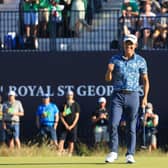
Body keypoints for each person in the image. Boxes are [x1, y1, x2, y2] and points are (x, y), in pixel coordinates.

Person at [105, 34, 150, 163]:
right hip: (118, 95)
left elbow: (146, 81)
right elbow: (107, 79)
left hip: (133, 95)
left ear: (135, 46)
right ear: (123, 45)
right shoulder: (114, 59)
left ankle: (130, 154)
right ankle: (113, 152)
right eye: (127, 44)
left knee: (131, 126)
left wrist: (145, 97)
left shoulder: (141, 60)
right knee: (113, 123)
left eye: (131, 45)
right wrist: (109, 71)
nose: (129, 47)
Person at [58, 90, 80, 156]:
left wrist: (72, 125)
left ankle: (69, 154)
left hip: (73, 126)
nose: (69, 96)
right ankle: (59, 153)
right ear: (66, 96)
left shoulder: (76, 104)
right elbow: (61, 116)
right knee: (61, 139)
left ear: (72, 96)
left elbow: (77, 116)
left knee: (71, 141)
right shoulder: (63, 104)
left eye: (70, 95)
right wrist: (66, 125)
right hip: (64, 126)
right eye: (68, 95)